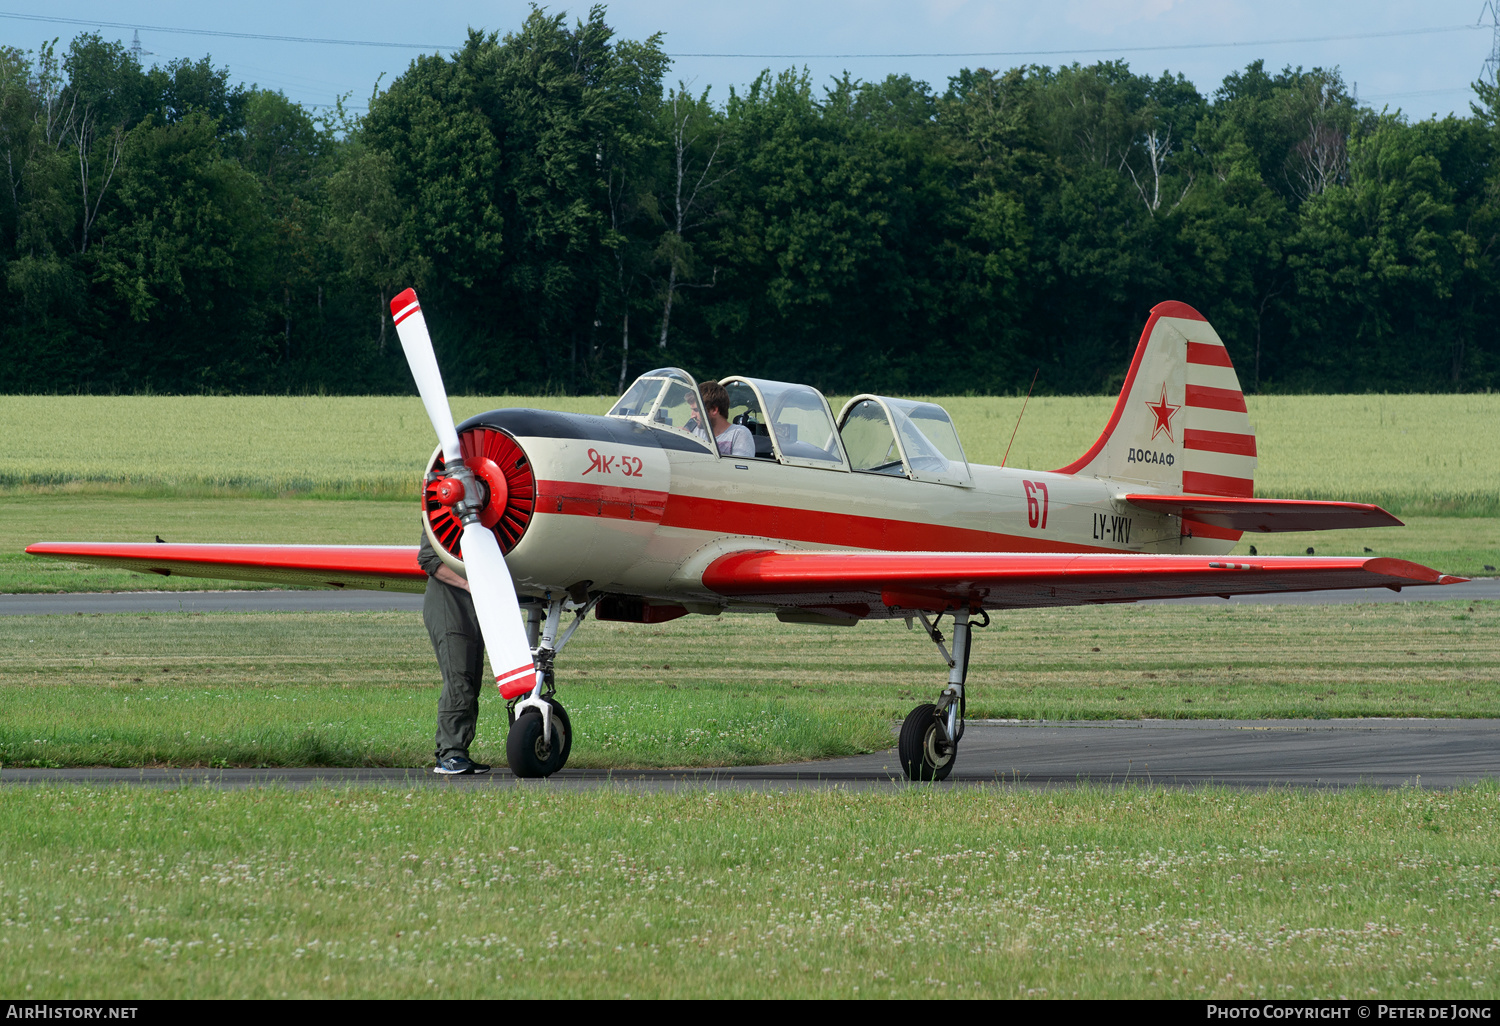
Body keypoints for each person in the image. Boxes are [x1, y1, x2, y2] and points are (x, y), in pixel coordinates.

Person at [417, 530, 490, 775]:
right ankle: (450, 754)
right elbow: (429, 559)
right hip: (449, 605)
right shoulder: (443, 510)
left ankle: (459, 753)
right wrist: (468, 584)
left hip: (472, 605)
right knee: (459, 679)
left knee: (471, 680)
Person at [699, 380, 754, 457]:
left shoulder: (739, 434)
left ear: (714, 410)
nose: (692, 416)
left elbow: (741, 467)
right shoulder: (696, 432)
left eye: (696, 410)